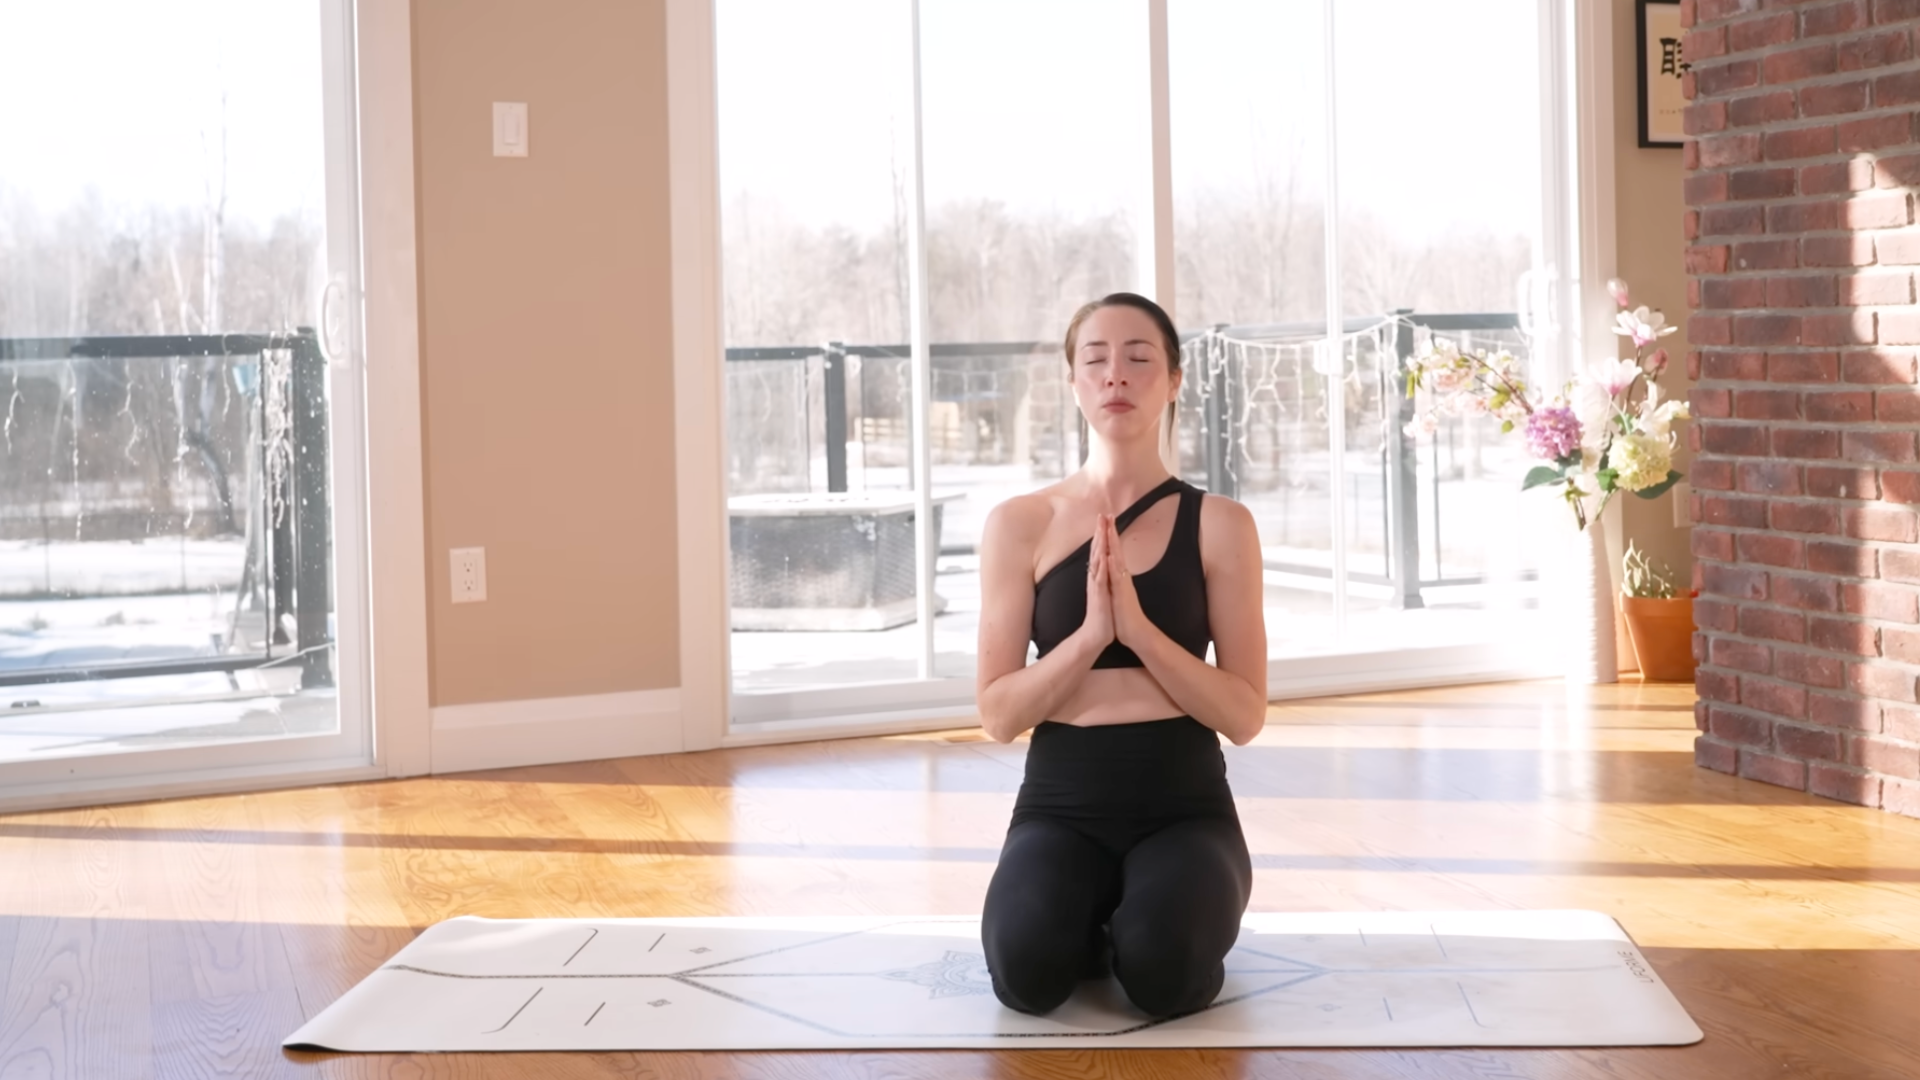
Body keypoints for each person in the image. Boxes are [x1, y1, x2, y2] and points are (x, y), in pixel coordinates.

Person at [974, 291, 1268, 1019]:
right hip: (1059, 806)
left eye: (1139, 358)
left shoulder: (1221, 524)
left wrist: (1138, 632)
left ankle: (1137, 921)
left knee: (1166, 975)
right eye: (1095, 360)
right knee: (1025, 976)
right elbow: (998, 716)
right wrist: (1090, 637)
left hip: (1185, 808)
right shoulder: (1019, 524)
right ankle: (1094, 917)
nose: (1116, 376)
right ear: (1074, 381)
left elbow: (1243, 715)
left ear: (1173, 381)